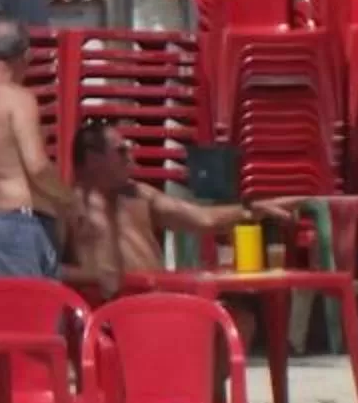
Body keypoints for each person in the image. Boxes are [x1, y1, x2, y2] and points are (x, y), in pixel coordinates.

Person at [63, 120, 299, 285]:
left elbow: (203, 219)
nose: (130, 158)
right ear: (93, 159)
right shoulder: (67, 206)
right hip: (103, 316)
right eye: (121, 151)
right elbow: (47, 271)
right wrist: (94, 276)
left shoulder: (138, 195)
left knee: (242, 317)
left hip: (154, 304)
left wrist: (251, 210)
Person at [0, 21, 80, 280]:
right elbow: (38, 167)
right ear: (27, 56)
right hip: (19, 223)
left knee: (13, 305)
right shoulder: (17, 98)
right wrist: (69, 201)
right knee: (32, 307)